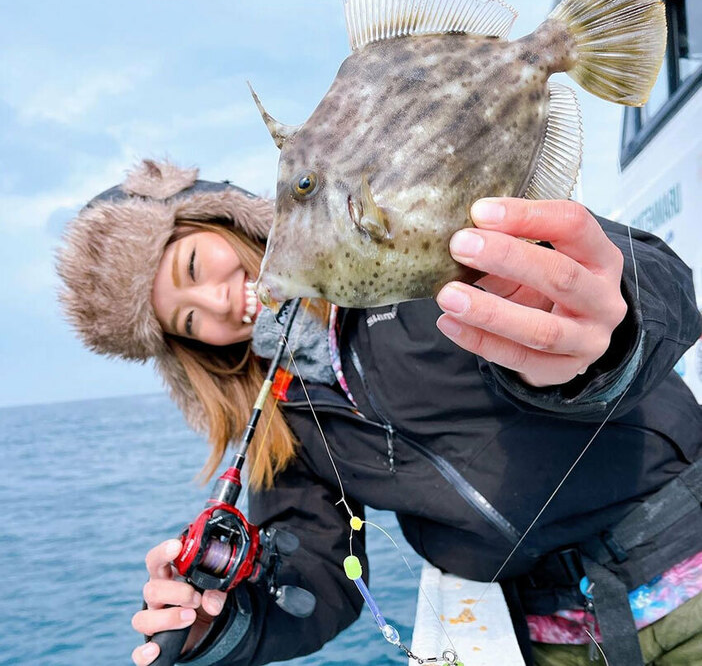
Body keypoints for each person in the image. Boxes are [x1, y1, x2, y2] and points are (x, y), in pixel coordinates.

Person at [57, 159, 702, 666]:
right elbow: (313, 574)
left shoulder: (395, 231)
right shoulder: (284, 418)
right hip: (552, 633)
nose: (220, 304)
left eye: (196, 264)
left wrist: (611, 329)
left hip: (683, 551)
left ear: (225, 222)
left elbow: (654, 275)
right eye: (189, 319)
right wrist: (223, 623)